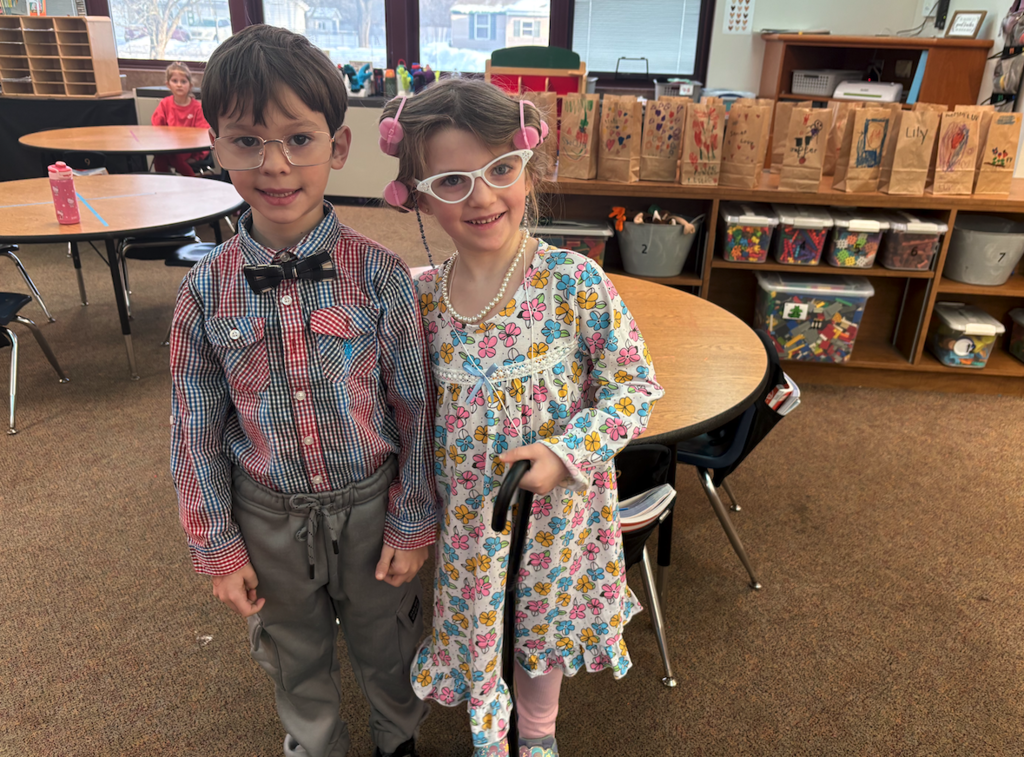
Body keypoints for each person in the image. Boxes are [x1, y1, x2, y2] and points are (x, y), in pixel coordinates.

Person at [169, 26, 437, 757]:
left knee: (390, 640)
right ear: (216, 145)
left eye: (298, 139)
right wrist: (218, 546)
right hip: (267, 514)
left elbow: (415, 408)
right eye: (248, 141)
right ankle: (315, 744)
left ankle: (399, 739)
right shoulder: (203, 291)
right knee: (293, 651)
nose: (276, 164)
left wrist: (413, 519)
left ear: (338, 147)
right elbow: (193, 427)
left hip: (372, 504)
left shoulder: (381, 273)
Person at [377, 79, 665, 757]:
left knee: (542, 632)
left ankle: (537, 736)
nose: (480, 197)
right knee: (478, 624)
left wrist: (567, 452)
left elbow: (634, 383)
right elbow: (402, 410)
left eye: (500, 170)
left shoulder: (572, 281)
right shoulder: (421, 299)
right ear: (416, 193)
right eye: (452, 180)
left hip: (558, 518)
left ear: (526, 169)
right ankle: (489, 735)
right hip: (468, 519)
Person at [151, 61, 211, 177]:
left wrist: (198, 156)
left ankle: (192, 183)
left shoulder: (197, 108)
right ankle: (166, 184)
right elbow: (157, 127)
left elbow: (203, 133)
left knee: (175, 157)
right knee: (159, 157)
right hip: (169, 147)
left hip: (189, 149)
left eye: (183, 81)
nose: (179, 85)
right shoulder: (165, 104)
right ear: (168, 84)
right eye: (175, 81)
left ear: (190, 85)